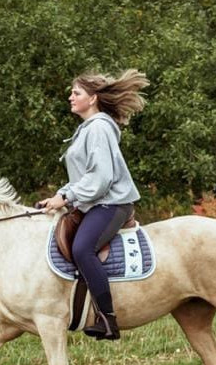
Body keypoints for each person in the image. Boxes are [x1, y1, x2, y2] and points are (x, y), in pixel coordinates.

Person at [37, 69, 148, 341]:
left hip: (112, 204)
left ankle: (108, 320)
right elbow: (83, 176)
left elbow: (101, 178)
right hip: (95, 204)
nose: (70, 97)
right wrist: (59, 196)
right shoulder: (87, 129)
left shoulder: (98, 128)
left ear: (93, 98)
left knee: (82, 248)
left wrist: (66, 198)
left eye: (76, 93)